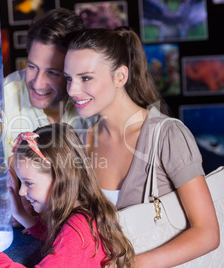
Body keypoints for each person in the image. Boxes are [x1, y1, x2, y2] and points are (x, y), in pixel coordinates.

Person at [63, 26, 220, 267]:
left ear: (120, 77)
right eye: (68, 79)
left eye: (85, 78)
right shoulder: (82, 141)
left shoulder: (167, 134)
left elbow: (208, 234)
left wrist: (128, 265)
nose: (72, 90)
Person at [0, 123, 134, 267]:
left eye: (29, 183)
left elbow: (69, 243)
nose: (22, 192)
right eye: (20, 182)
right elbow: (61, 243)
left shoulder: (78, 234)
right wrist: (22, 216)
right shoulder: (85, 218)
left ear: (60, 179)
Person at [2, 8, 90, 161]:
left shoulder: (94, 97)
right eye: (32, 67)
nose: (37, 83)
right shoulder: (3, 98)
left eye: (52, 73)